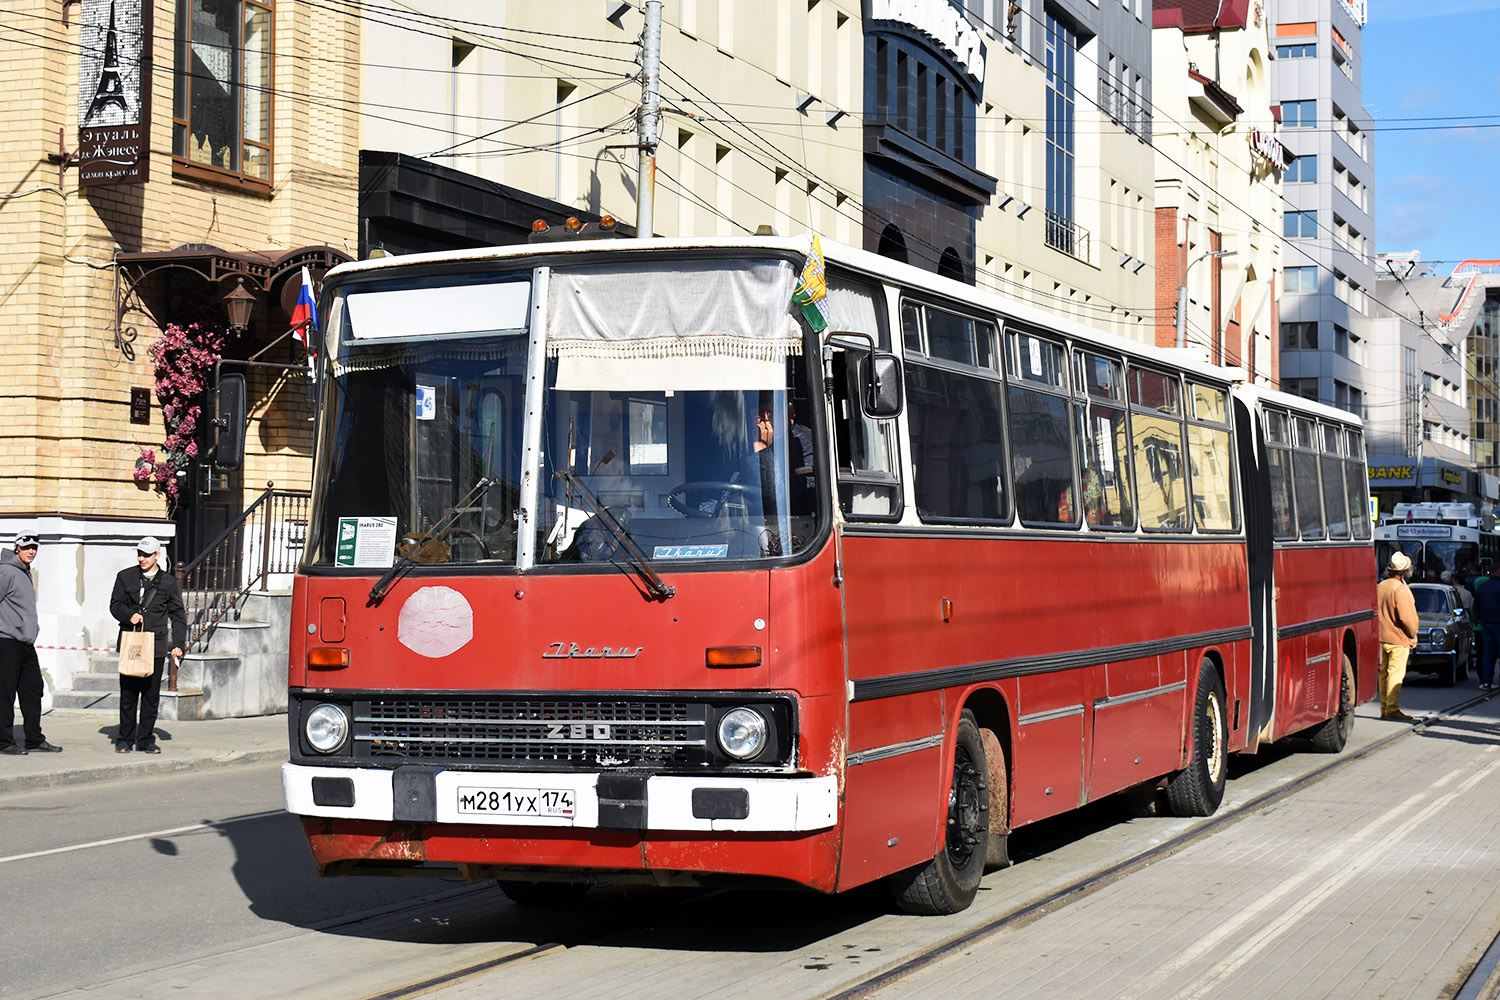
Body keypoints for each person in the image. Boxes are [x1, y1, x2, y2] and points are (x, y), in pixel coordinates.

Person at [109, 536, 186, 754]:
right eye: (139, 554)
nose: (142, 558)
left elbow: (178, 615)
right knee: (128, 694)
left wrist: (179, 644)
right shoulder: (125, 577)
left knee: (151, 696)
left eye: (146, 555)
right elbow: (115, 605)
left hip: (156, 645)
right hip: (132, 643)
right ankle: (124, 738)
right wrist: (128, 615)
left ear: (157, 555)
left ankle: (145, 739)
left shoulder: (169, 582)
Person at [0, 530, 61, 754]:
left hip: (25, 643)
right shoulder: (6, 571)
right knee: (5, 694)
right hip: (6, 641)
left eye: (34, 547)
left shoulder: (25, 571)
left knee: (34, 690)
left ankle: (34, 739)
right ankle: (4, 742)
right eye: (26, 547)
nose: (31, 551)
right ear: (16, 547)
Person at [1376, 551, 1420, 721]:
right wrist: (1413, 635)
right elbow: (1407, 618)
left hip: (1381, 636)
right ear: (1405, 571)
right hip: (1398, 638)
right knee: (1395, 674)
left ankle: (1385, 707)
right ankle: (1391, 708)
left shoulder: (1381, 586)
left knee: (1383, 673)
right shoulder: (1401, 589)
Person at [1474, 568, 1500, 691]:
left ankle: (1486, 682)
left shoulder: (1482, 587)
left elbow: (1476, 606)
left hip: (1485, 624)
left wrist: (1479, 618)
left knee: (1487, 655)